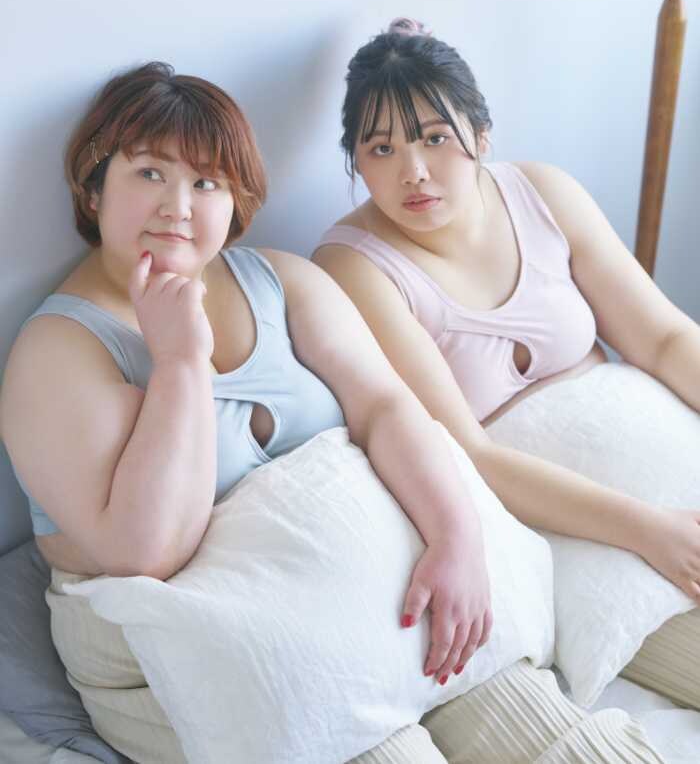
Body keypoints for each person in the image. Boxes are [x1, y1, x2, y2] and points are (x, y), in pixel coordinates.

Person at [0, 62, 663, 764]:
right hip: (204, 652)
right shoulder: (56, 352)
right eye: (149, 173)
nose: (179, 206)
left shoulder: (283, 280)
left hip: (362, 612)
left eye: (207, 182)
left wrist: (455, 535)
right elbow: (146, 552)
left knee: (548, 731)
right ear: (94, 185)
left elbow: (387, 408)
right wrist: (181, 363)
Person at [313, 17, 700, 612]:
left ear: (482, 133)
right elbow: (468, 453)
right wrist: (651, 531)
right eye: (382, 149)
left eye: (435, 138)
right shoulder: (354, 267)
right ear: (357, 163)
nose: (413, 172)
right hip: (578, 533)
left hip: (670, 473)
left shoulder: (542, 192)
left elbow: (664, 338)